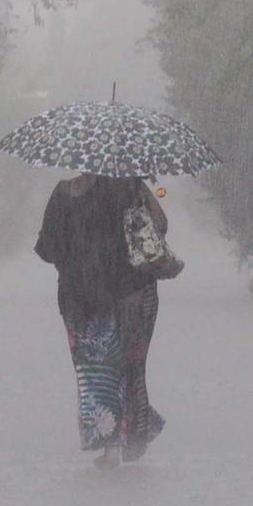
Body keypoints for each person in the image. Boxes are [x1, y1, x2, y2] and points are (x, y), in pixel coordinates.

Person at [34, 172, 172, 464]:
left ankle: (112, 445)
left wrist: (76, 255)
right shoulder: (128, 185)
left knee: (95, 373)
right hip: (131, 291)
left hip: (80, 298)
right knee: (130, 367)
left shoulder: (63, 193)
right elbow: (161, 225)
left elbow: (46, 248)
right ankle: (134, 435)